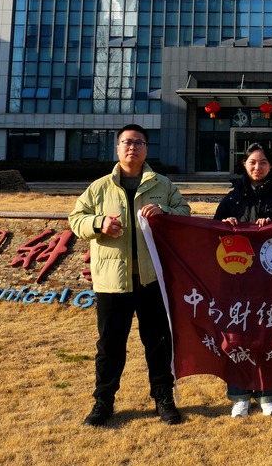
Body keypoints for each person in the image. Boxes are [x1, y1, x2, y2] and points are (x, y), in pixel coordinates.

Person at [68, 124, 191, 427]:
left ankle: (163, 398)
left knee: (158, 343)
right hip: (113, 281)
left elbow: (185, 212)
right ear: (117, 148)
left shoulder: (162, 184)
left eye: (138, 142)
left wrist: (164, 211)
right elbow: (76, 220)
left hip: (153, 279)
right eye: (126, 142)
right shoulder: (99, 188)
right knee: (110, 345)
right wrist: (99, 224)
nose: (132, 147)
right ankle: (103, 401)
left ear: (146, 148)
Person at [213, 143, 272, 417]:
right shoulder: (232, 198)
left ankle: (268, 394)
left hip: (270, 276)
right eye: (252, 162)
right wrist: (226, 224)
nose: (257, 167)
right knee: (237, 335)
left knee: (267, 335)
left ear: (270, 166)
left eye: (262, 162)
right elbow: (213, 233)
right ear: (244, 165)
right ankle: (240, 396)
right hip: (237, 276)